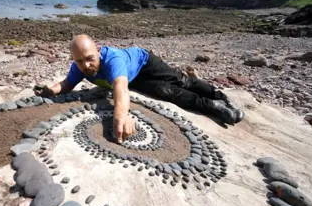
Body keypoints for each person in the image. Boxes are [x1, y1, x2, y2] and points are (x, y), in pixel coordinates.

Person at [35, 34, 244, 143]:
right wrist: (50, 91)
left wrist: (121, 118)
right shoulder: (79, 66)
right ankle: (213, 107)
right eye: (79, 61)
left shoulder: (112, 60)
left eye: (90, 58)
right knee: (169, 93)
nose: (86, 65)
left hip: (144, 63)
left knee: (181, 81)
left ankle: (221, 97)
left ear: (98, 50)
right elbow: (67, 84)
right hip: (133, 78)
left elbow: (120, 88)